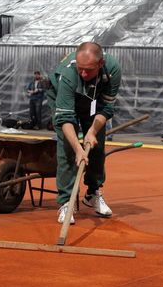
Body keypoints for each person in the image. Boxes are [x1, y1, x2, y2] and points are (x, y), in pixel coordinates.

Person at [47, 42, 121, 224]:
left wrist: (92, 132)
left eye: (89, 70)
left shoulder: (112, 71)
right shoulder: (70, 73)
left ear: (101, 63)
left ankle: (92, 193)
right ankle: (66, 202)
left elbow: (106, 108)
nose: (84, 74)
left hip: (92, 102)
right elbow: (65, 118)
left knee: (96, 146)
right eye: (81, 69)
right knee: (68, 149)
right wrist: (78, 150)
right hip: (63, 97)